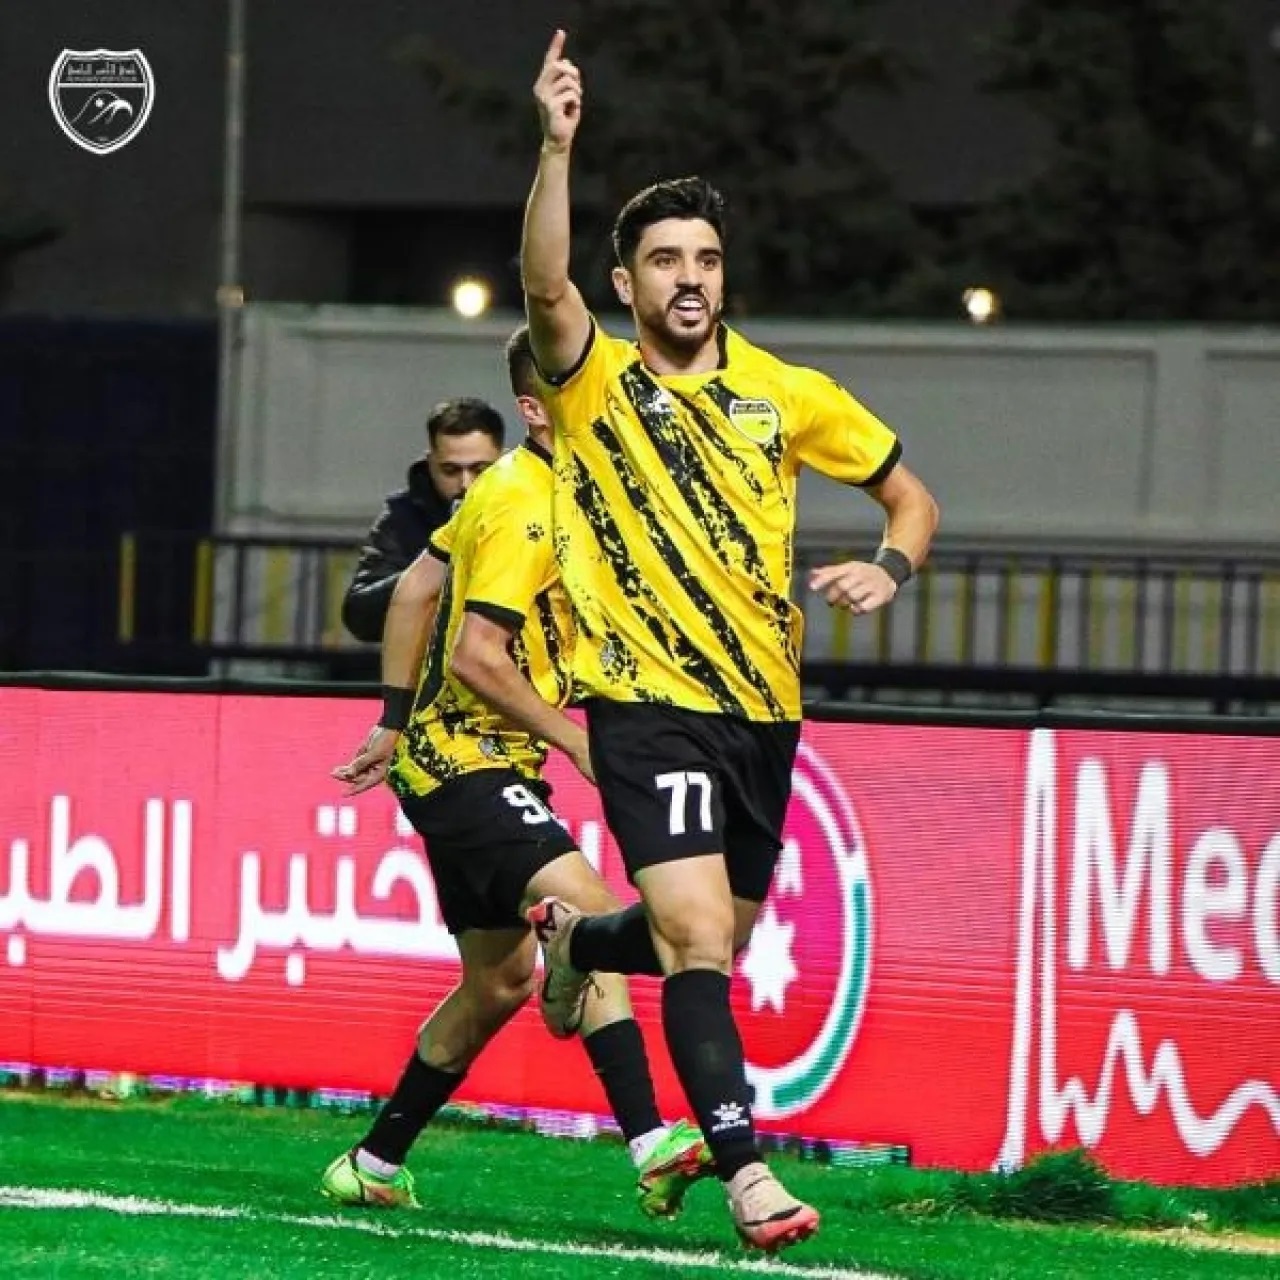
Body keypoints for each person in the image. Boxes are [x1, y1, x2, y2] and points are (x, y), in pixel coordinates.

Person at [518, 30, 941, 1254]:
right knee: (700, 936)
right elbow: (541, 289)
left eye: (704, 256)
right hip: (643, 701)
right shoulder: (595, 381)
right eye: (663, 259)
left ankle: (573, 941)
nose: (689, 276)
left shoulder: (784, 392)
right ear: (625, 283)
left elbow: (911, 497)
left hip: (762, 711)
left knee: (708, 935)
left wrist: (887, 565)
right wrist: (555, 148)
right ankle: (746, 1170)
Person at [321, 327, 712, 1219]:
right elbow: (474, 657)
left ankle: (373, 1162)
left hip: (469, 757)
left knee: (499, 982)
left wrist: (390, 718)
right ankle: (651, 1142)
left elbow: (415, 588)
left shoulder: (557, 487)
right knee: (588, 910)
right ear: (538, 410)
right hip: (464, 758)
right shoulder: (519, 500)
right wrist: (577, 743)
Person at [341, 397, 505, 643]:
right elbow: (361, 617)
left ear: (504, 461)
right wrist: (437, 566)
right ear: (431, 464)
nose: (466, 484)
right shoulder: (403, 515)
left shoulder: (532, 511)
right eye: (450, 471)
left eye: (479, 469)